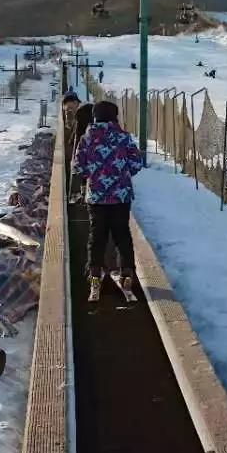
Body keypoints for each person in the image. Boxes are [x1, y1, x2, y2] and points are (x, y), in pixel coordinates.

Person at [73, 100, 143, 302]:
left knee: (97, 236)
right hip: (121, 197)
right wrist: (121, 176)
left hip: (96, 197)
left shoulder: (87, 138)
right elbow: (136, 163)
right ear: (115, 116)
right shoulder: (123, 137)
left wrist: (93, 176)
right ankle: (127, 273)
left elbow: (79, 167)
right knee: (122, 235)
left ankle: (95, 275)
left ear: (95, 116)